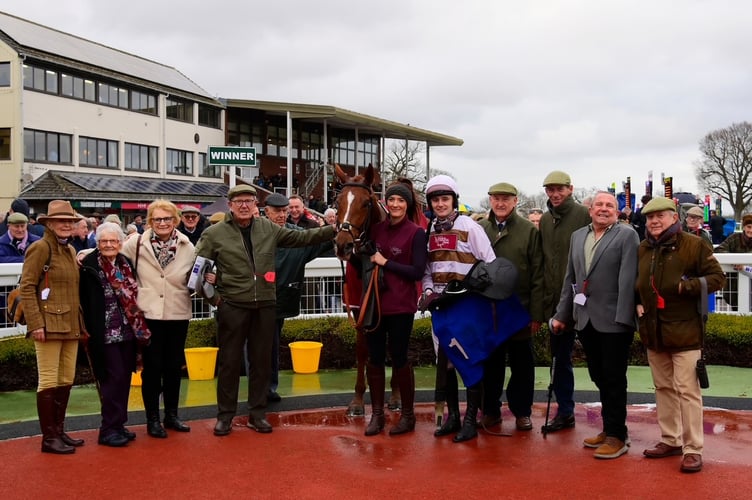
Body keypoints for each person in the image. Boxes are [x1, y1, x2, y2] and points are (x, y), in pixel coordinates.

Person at [195, 185, 335, 436]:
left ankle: (257, 414)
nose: (244, 205)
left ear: (255, 205)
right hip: (232, 306)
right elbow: (197, 272)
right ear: (230, 205)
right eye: (239, 201)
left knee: (261, 363)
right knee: (230, 363)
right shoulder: (214, 233)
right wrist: (216, 301)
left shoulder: (268, 228)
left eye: (249, 200)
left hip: (265, 306)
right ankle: (225, 416)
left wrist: (334, 229)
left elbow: (301, 239)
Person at [636, 197, 725, 473]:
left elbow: (717, 277)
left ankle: (693, 448)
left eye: (660, 216)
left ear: (674, 217)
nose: (654, 222)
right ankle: (671, 439)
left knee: (688, 391)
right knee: (663, 388)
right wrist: (636, 302)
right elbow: (637, 283)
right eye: (650, 218)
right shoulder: (643, 248)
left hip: (685, 331)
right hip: (654, 331)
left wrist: (684, 288)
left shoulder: (694, 245)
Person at [551, 191, 639, 459]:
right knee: (598, 375)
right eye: (599, 204)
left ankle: (616, 436)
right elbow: (571, 279)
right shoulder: (578, 236)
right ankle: (610, 427)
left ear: (617, 211)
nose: (603, 209)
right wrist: (562, 314)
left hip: (614, 320)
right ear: (590, 210)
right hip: (585, 318)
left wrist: (624, 318)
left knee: (613, 378)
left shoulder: (626, 235)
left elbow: (628, 279)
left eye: (609, 205)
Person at [421, 175, 495, 443]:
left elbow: (489, 264)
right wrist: (428, 292)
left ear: (454, 200)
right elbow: (426, 270)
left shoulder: (470, 227)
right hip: (440, 309)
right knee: (446, 364)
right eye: (435, 200)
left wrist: (466, 289)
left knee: (469, 360)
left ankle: (471, 419)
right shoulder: (428, 231)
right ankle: (452, 416)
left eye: (445, 199)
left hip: (467, 307)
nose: (440, 204)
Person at [350, 182, 427, 436]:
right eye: (392, 199)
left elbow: (416, 271)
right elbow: (364, 259)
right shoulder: (375, 230)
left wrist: (387, 262)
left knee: (400, 358)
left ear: (408, 205)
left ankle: (407, 416)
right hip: (375, 305)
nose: (395, 204)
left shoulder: (416, 233)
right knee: (374, 359)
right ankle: (378, 415)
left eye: (401, 200)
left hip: (401, 306)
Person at [121, 200, 194, 438]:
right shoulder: (136, 243)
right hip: (148, 314)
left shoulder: (187, 246)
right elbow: (112, 255)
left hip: (177, 312)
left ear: (175, 220)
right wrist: (83, 254)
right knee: (152, 369)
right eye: (157, 219)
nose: (162, 223)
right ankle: (152, 418)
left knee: (173, 367)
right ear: (150, 221)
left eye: (167, 219)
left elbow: (195, 276)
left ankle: (171, 415)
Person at [20, 200, 85, 454]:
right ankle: (49, 438)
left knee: (66, 379)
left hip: (70, 323)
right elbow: (27, 287)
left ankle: (58, 431)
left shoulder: (69, 251)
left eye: (70, 221)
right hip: (47, 324)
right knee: (48, 380)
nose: (67, 225)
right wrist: (36, 324)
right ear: (50, 223)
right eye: (62, 221)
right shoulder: (40, 248)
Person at [478, 182, 544, 432]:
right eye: (496, 198)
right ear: (490, 201)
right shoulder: (480, 229)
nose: (500, 203)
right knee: (490, 366)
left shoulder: (529, 231)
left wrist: (536, 314)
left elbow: (538, 275)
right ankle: (491, 411)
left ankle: (522, 412)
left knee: (522, 367)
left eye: (506, 198)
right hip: (489, 311)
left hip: (520, 310)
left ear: (515, 201)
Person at [80, 222, 150, 447]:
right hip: (104, 333)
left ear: (120, 243)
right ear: (97, 243)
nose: (109, 245)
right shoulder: (89, 265)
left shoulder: (125, 263)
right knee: (112, 379)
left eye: (113, 241)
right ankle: (108, 429)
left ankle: (119, 424)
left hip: (128, 331)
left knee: (124, 379)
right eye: (104, 241)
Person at [261, 193, 334, 402]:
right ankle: (259, 391)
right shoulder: (256, 233)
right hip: (255, 300)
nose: (282, 215)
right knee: (257, 348)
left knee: (272, 346)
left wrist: (341, 230)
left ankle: (268, 389)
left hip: (281, 300)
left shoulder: (299, 235)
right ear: (267, 212)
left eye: (285, 211)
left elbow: (320, 242)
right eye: (277, 211)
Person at [539, 170, 591, 433]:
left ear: (570, 189)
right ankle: (565, 410)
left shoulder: (584, 214)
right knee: (559, 360)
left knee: (598, 362)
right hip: (556, 303)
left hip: (584, 299)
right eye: (550, 190)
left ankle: (614, 423)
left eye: (559, 189)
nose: (555, 194)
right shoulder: (546, 220)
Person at [713, 213, 752, 310]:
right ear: (744, 227)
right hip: (734, 286)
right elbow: (719, 250)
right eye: (749, 227)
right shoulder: (734, 238)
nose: (751, 230)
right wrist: (734, 260)